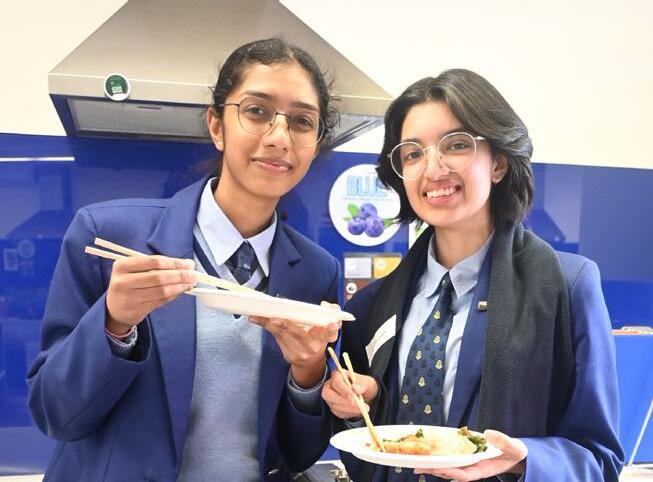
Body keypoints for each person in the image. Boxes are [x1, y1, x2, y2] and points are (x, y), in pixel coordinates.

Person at [27, 38, 342, 481]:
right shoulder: (107, 236)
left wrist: (308, 374)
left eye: (302, 121)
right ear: (217, 126)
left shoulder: (316, 271)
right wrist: (115, 322)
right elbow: (54, 413)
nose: (278, 137)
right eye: (257, 111)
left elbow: (299, 452)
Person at [322, 69, 624, 481]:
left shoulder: (566, 287)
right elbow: (368, 457)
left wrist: (525, 460)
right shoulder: (373, 305)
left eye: (457, 145)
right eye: (412, 154)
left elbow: (600, 459)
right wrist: (363, 408)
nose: (433, 169)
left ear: (498, 162)